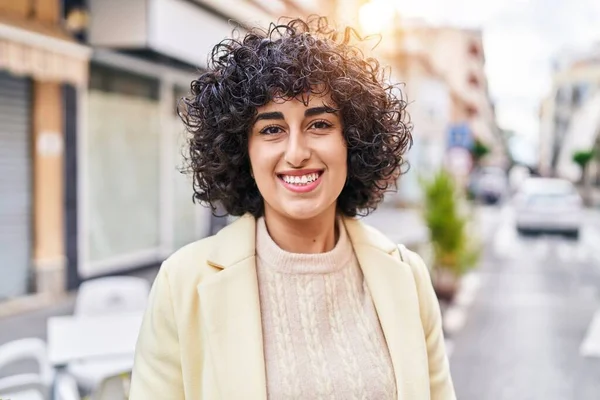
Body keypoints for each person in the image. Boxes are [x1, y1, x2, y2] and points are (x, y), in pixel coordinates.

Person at [130, 16, 456, 400]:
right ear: (242, 151)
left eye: (319, 124)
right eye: (271, 129)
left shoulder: (407, 276)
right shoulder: (182, 283)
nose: (297, 153)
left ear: (352, 141)